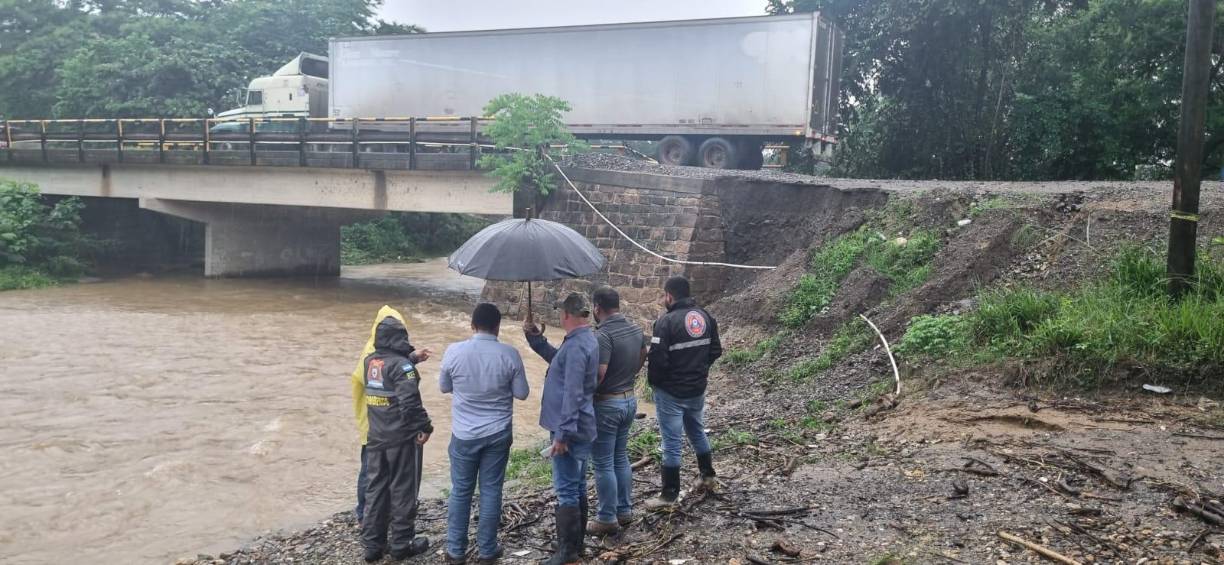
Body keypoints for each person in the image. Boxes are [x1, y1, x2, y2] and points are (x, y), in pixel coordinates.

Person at [440, 303, 530, 564]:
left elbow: (444, 387)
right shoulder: (510, 354)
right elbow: (522, 394)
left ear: (472, 325)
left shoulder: (454, 351)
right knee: (491, 490)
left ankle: (455, 551)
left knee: (460, 491)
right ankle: (487, 550)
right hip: (498, 433)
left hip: (464, 435)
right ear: (498, 327)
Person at [524, 293, 599, 565]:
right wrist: (535, 339)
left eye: (560, 313)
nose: (559, 317)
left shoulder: (578, 346)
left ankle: (568, 553)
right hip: (580, 425)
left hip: (570, 428)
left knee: (567, 488)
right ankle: (575, 545)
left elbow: (573, 391)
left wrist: (562, 435)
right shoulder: (581, 340)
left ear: (566, 315)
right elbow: (559, 363)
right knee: (577, 485)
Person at [644, 276, 723, 510]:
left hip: (671, 392)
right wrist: (698, 371)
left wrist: (656, 383)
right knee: (697, 430)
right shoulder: (706, 317)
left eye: (663, 295)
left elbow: (657, 361)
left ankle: (669, 495)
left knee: (671, 442)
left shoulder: (665, 322)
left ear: (669, 295)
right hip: (697, 388)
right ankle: (707, 476)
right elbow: (715, 350)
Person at [360, 316, 434, 562]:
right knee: (403, 490)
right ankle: (402, 543)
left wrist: (412, 359)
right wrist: (425, 427)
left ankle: (372, 546)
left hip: (376, 438)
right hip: (400, 439)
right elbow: (410, 404)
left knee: (375, 490)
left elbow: (388, 374)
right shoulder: (403, 368)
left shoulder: (370, 362)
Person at [586, 286, 647, 535]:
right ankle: (624, 510)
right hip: (629, 400)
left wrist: (584, 394)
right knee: (620, 457)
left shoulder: (603, 335)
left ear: (597, 308)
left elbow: (599, 373)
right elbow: (644, 354)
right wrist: (628, 374)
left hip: (607, 404)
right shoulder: (635, 329)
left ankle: (606, 517)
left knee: (602, 463)